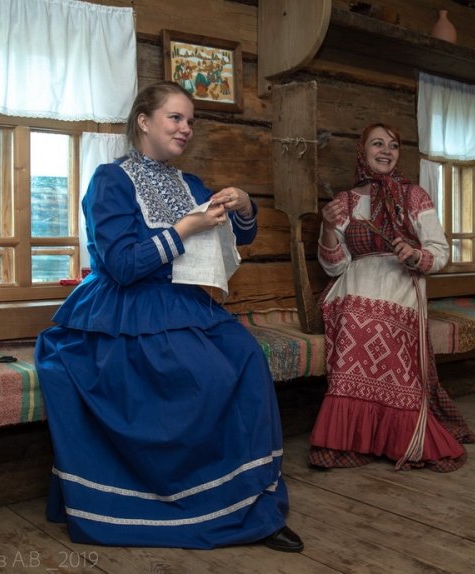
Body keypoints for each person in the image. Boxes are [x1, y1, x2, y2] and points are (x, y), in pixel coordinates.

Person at [35, 81, 303, 552]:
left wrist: (244, 206)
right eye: (175, 118)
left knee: (245, 357)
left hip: (181, 303)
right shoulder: (111, 180)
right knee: (198, 374)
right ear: (144, 121)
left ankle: (246, 502)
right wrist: (185, 228)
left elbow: (239, 236)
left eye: (190, 121)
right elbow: (121, 266)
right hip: (122, 309)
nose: (185, 128)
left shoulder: (189, 183)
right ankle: (179, 504)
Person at [309, 123, 475, 472]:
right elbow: (334, 266)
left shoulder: (413, 195)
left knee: (380, 327)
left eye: (393, 145)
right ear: (363, 151)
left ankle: (394, 437)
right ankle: (354, 440)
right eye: (377, 144)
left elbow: (440, 252)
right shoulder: (345, 201)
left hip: (401, 285)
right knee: (356, 319)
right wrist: (328, 228)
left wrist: (414, 254)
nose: (386, 151)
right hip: (355, 285)